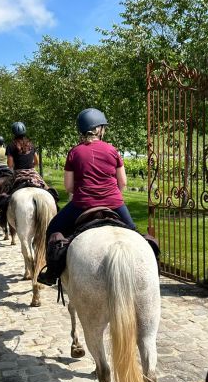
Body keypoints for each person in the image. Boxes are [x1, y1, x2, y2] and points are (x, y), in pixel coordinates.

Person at [37, 108, 136, 286]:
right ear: (98, 129)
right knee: (135, 234)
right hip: (114, 203)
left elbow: (68, 186)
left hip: (82, 204)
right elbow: (123, 183)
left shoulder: (74, 152)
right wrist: (110, 194)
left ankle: (51, 273)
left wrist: (87, 190)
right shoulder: (112, 150)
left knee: (52, 229)